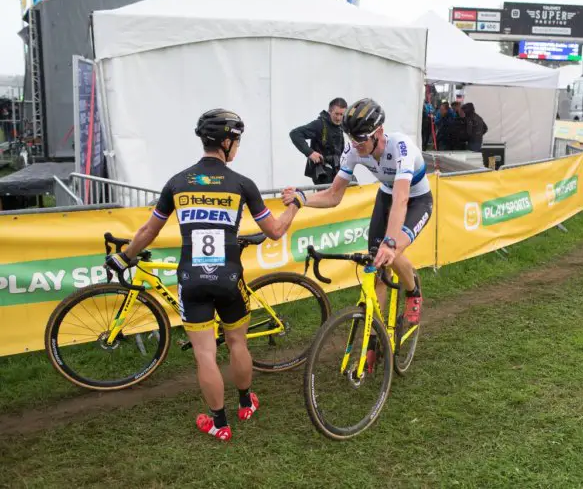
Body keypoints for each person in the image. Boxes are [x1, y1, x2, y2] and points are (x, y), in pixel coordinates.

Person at [105, 109, 301, 442]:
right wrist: (296, 202)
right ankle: (245, 404)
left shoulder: (178, 183)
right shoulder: (242, 183)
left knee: (204, 353)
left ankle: (219, 424)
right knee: (237, 341)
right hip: (229, 276)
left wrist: (125, 257)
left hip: (191, 279)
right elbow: (276, 231)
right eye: (236, 140)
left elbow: (148, 230)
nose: (237, 146)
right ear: (225, 142)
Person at [282, 98, 431, 330]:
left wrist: (390, 243)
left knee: (391, 249)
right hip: (387, 195)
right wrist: (303, 199)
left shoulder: (401, 147)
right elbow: (333, 195)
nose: (355, 144)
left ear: (379, 132)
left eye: (361, 138)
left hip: (416, 200)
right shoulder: (354, 149)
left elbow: (402, 198)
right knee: (376, 262)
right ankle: (375, 333)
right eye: (351, 137)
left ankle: (414, 292)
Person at [289, 98, 348, 185]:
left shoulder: (341, 125)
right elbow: (295, 134)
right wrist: (310, 153)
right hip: (322, 172)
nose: (339, 118)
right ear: (329, 111)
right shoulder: (319, 124)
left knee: (353, 185)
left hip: (338, 169)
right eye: (336, 114)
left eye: (341, 114)